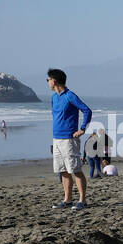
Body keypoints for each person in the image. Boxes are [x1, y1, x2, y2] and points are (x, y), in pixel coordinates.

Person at [46, 67, 91, 210]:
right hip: (57, 138)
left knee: (75, 169)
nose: (47, 82)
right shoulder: (54, 97)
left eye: (48, 79)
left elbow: (87, 110)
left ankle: (82, 200)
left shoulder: (70, 96)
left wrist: (82, 129)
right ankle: (68, 199)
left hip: (69, 139)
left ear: (55, 80)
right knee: (63, 171)